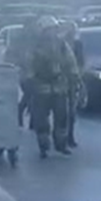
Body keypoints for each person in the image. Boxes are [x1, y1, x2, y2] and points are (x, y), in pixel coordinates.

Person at [29, 16, 78, 157]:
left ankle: (61, 145)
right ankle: (43, 146)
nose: (52, 32)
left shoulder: (62, 45)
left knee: (62, 118)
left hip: (59, 87)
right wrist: (31, 81)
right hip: (41, 88)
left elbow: (71, 61)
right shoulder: (35, 47)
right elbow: (29, 65)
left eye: (54, 29)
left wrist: (74, 77)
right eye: (49, 30)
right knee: (41, 119)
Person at [61, 21, 84, 148]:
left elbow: (80, 62)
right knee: (60, 111)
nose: (70, 33)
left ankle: (69, 136)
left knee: (71, 112)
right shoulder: (58, 45)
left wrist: (78, 77)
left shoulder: (77, 45)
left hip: (72, 80)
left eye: (72, 30)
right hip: (58, 80)